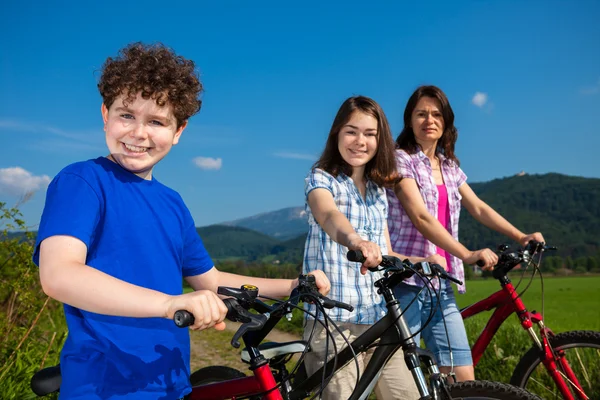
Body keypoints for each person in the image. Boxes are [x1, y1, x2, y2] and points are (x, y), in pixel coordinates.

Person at [33, 42, 330, 400]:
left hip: (171, 379)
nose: (139, 133)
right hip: (106, 385)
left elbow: (212, 280)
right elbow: (59, 274)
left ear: (178, 131)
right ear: (105, 114)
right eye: (126, 115)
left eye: (156, 121)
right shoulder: (83, 181)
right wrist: (168, 303)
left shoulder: (172, 203)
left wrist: (293, 284)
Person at [387, 85, 544, 382]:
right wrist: (468, 253)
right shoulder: (400, 160)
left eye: (436, 114)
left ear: (446, 121)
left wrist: (520, 235)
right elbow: (421, 216)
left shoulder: (448, 167)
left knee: (461, 377)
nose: (428, 120)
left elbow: (479, 208)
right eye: (421, 114)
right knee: (397, 378)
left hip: (441, 282)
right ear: (410, 120)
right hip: (405, 281)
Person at [302, 95, 445, 399]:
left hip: (377, 317)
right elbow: (328, 214)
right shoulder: (322, 178)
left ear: (381, 141)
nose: (360, 141)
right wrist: (355, 240)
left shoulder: (379, 192)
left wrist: (423, 260)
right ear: (337, 133)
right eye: (351, 131)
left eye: (370, 134)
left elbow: (385, 251)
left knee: (407, 394)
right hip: (333, 320)